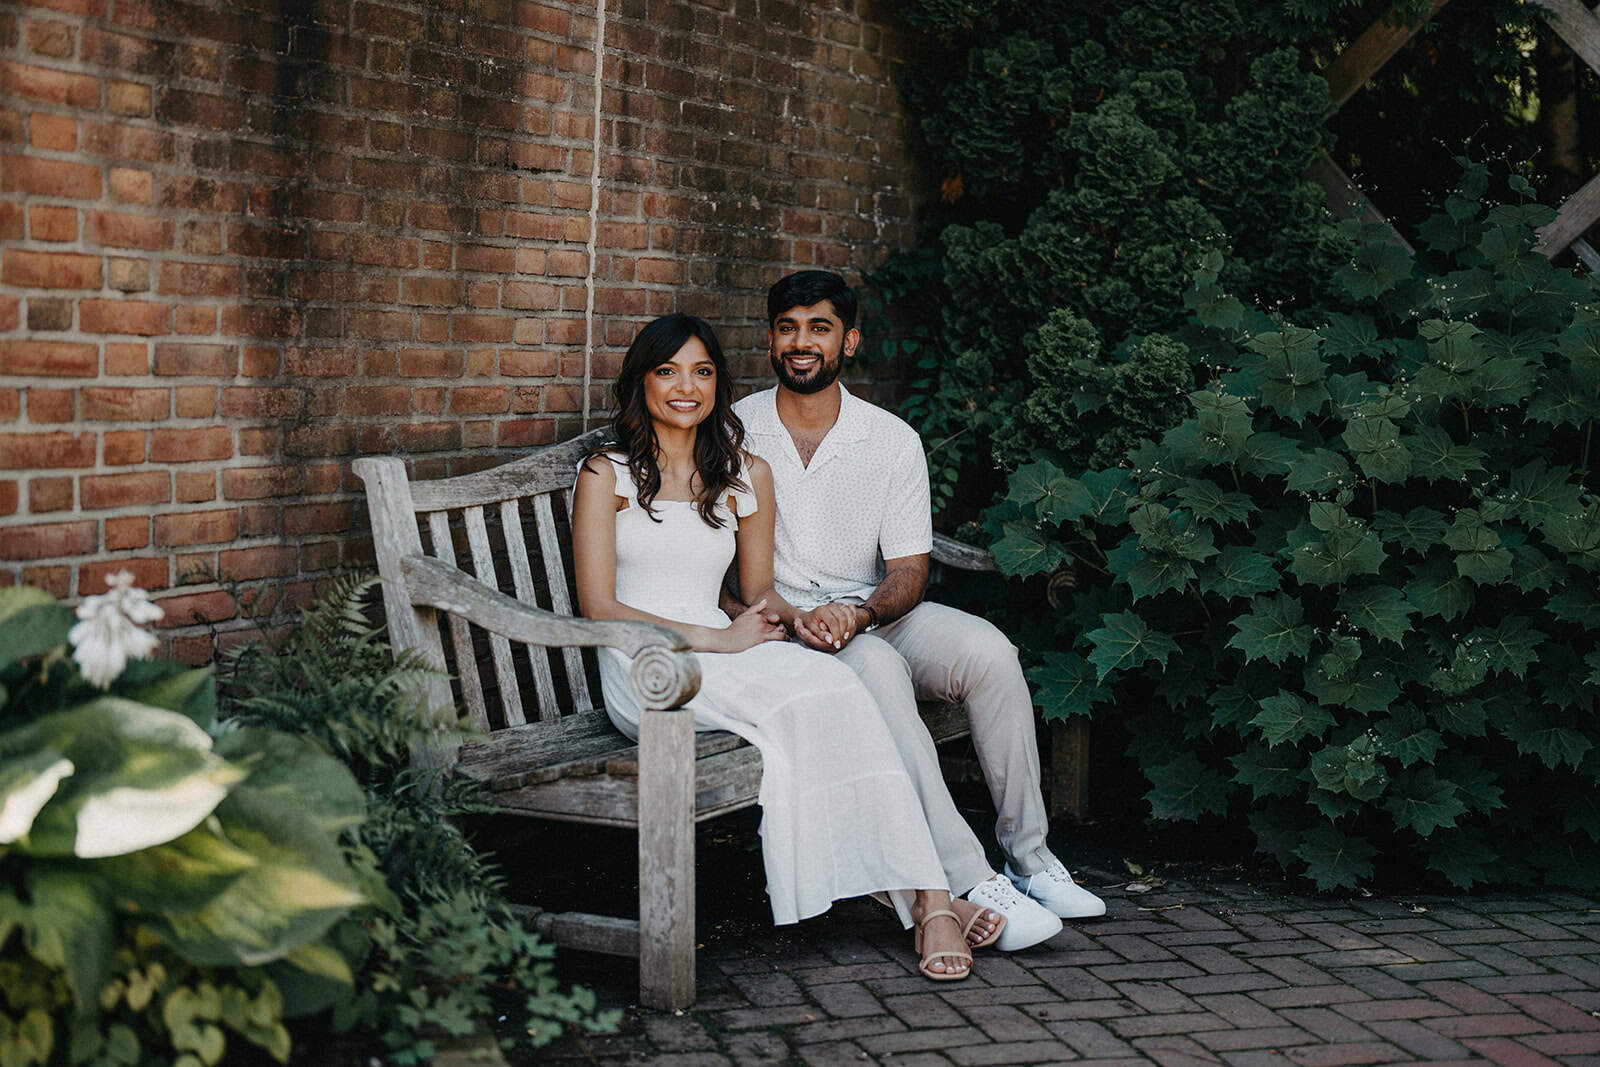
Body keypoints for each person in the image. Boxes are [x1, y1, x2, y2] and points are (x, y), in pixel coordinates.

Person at [571, 312, 1006, 981]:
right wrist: (720, 638)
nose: (685, 386)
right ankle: (931, 899)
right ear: (641, 383)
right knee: (807, 710)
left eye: (702, 371)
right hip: (648, 664)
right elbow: (599, 606)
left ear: (719, 383)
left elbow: (757, 591)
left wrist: (809, 619)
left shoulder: (743, 473)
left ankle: (919, 893)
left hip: (727, 649)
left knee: (838, 687)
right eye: (667, 371)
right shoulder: (609, 475)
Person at [728, 269, 1107, 929]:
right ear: (768, 339)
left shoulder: (891, 440)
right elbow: (727, 569)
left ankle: (1031, 858)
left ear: (849, 342)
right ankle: (969, 876)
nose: (801, 342)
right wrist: (806, 619)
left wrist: (865, 612)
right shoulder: (733, 432)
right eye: (788, 327)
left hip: (870, 613)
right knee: (876, 669)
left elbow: (909, 568)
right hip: (783, 629)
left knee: (990, 652)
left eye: (819, 327)